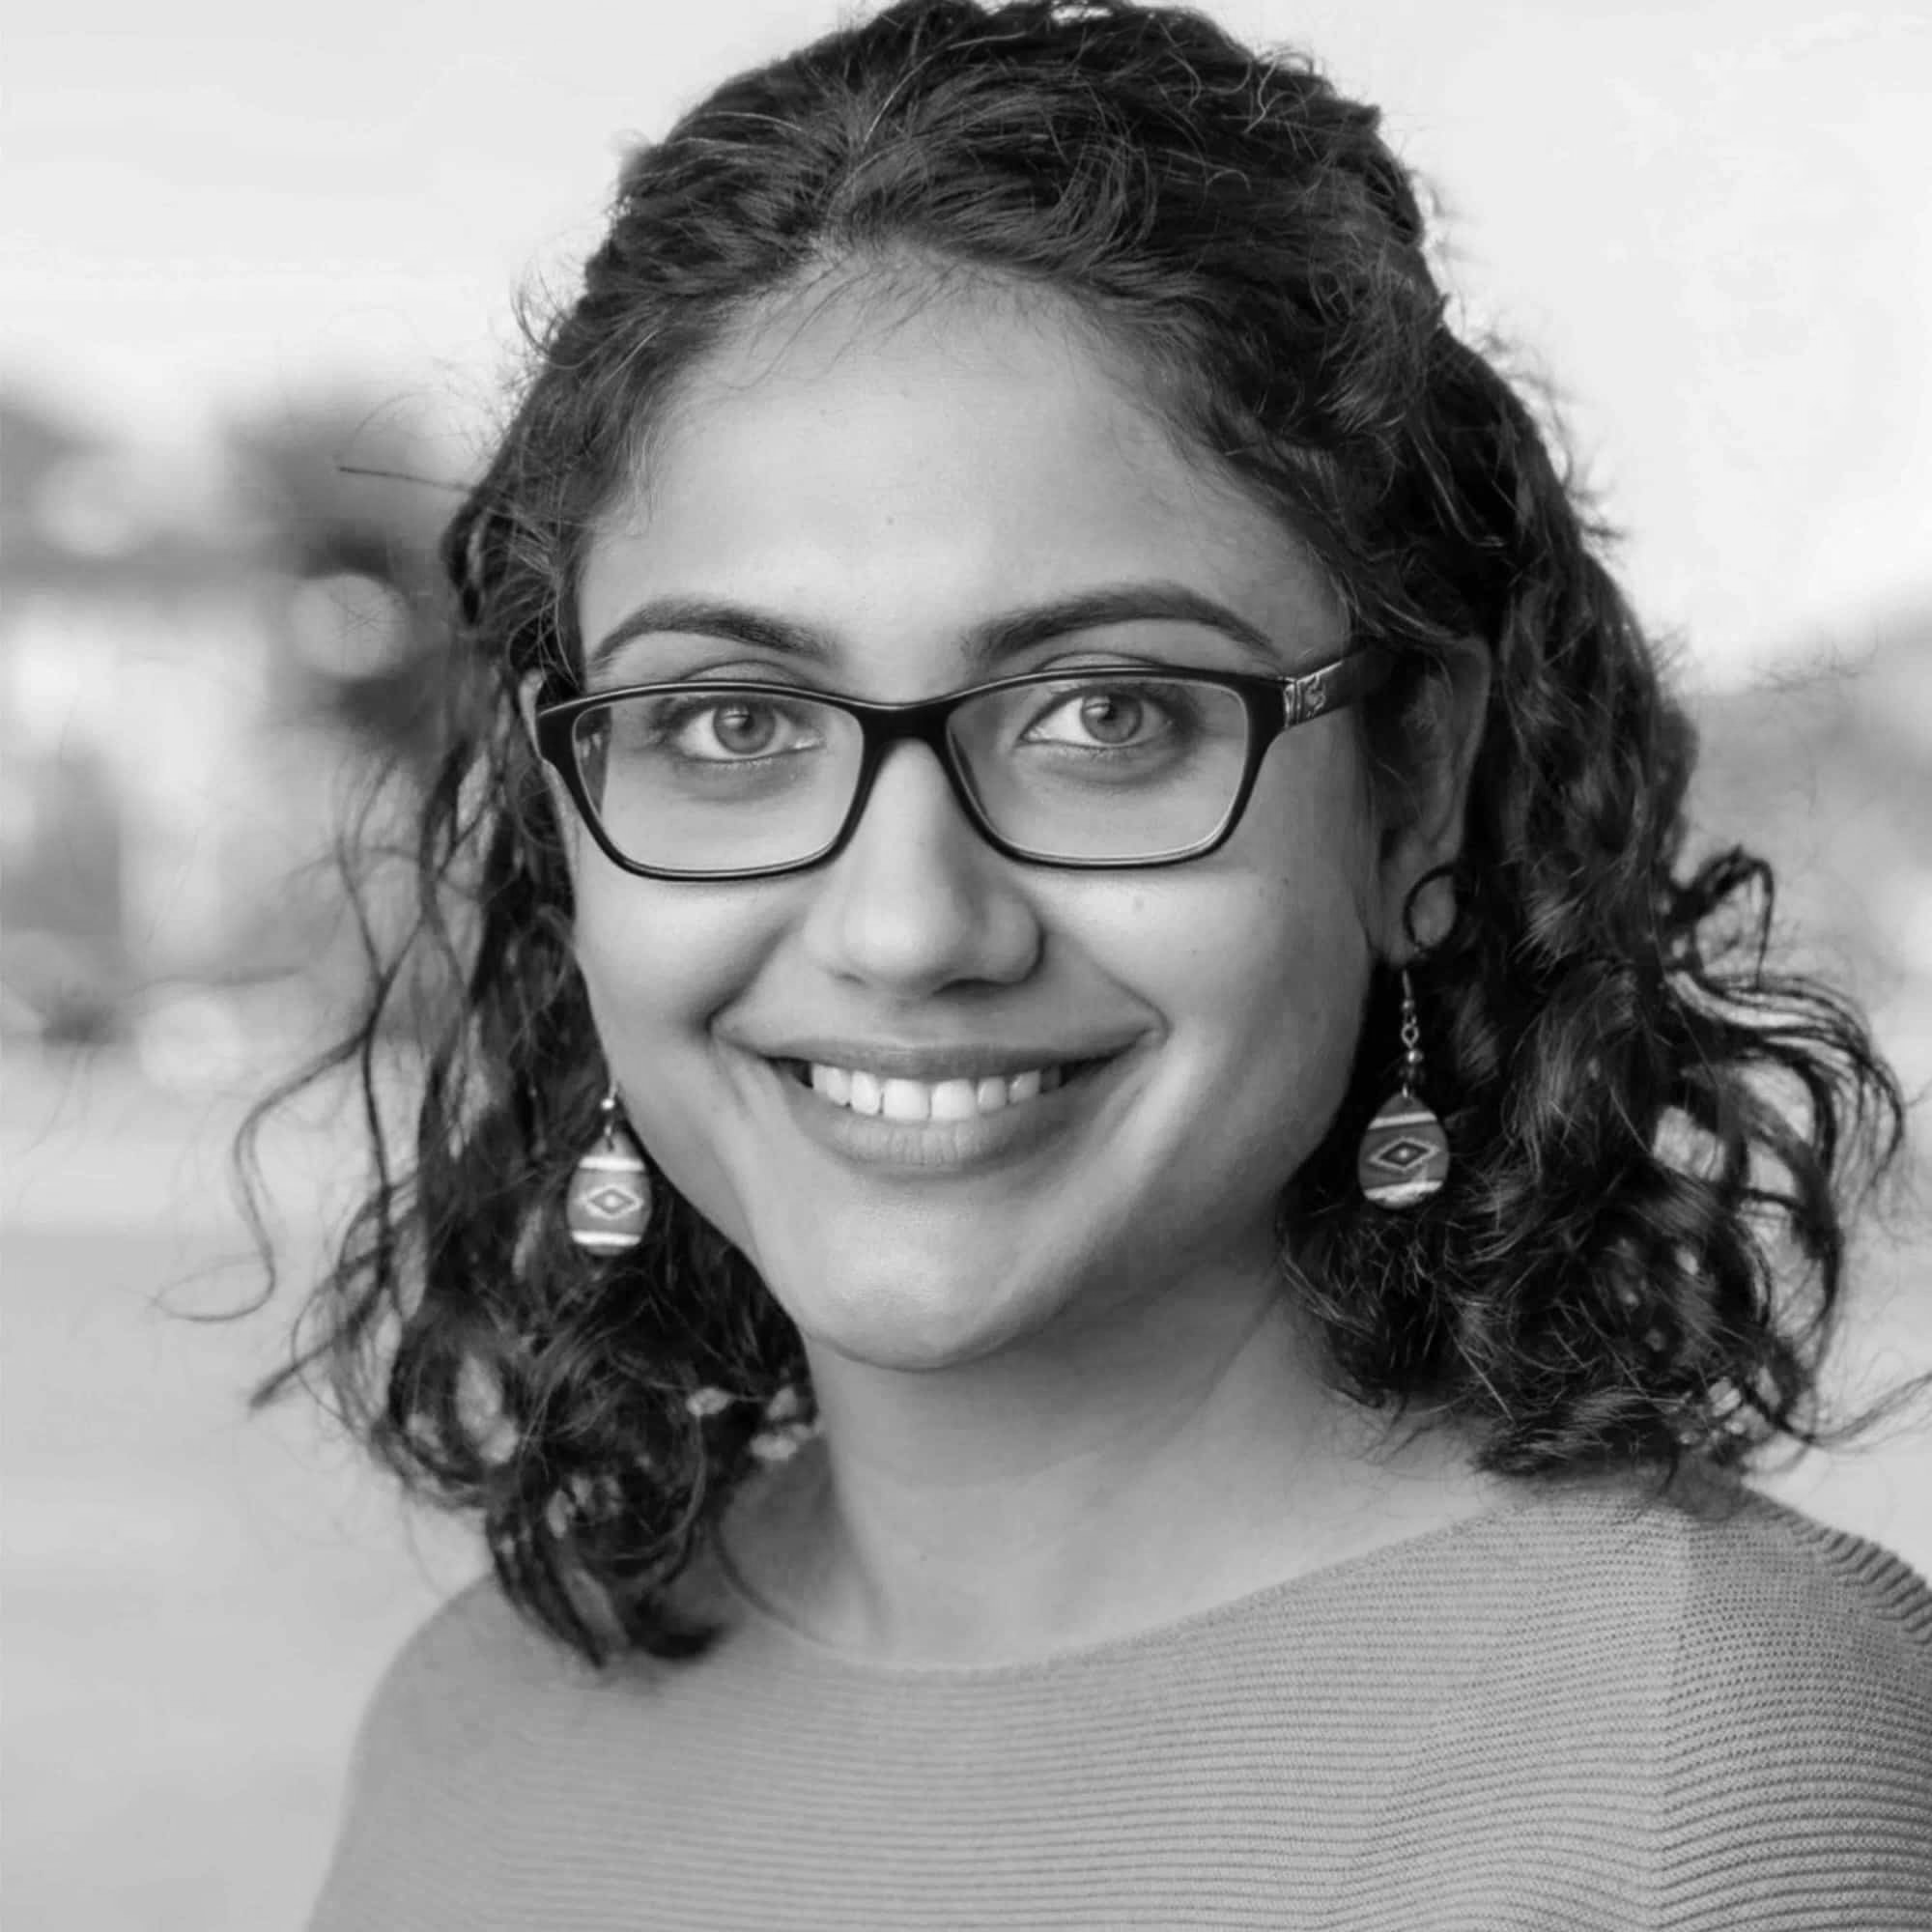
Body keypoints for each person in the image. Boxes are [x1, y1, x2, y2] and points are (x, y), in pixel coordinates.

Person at [256, 2, 1932, 1925]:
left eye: (1107, 715)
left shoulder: (1693, 1773)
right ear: (571, 819)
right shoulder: (473, 1734)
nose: (907, 928)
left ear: (1409, 792)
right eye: (731, 722)